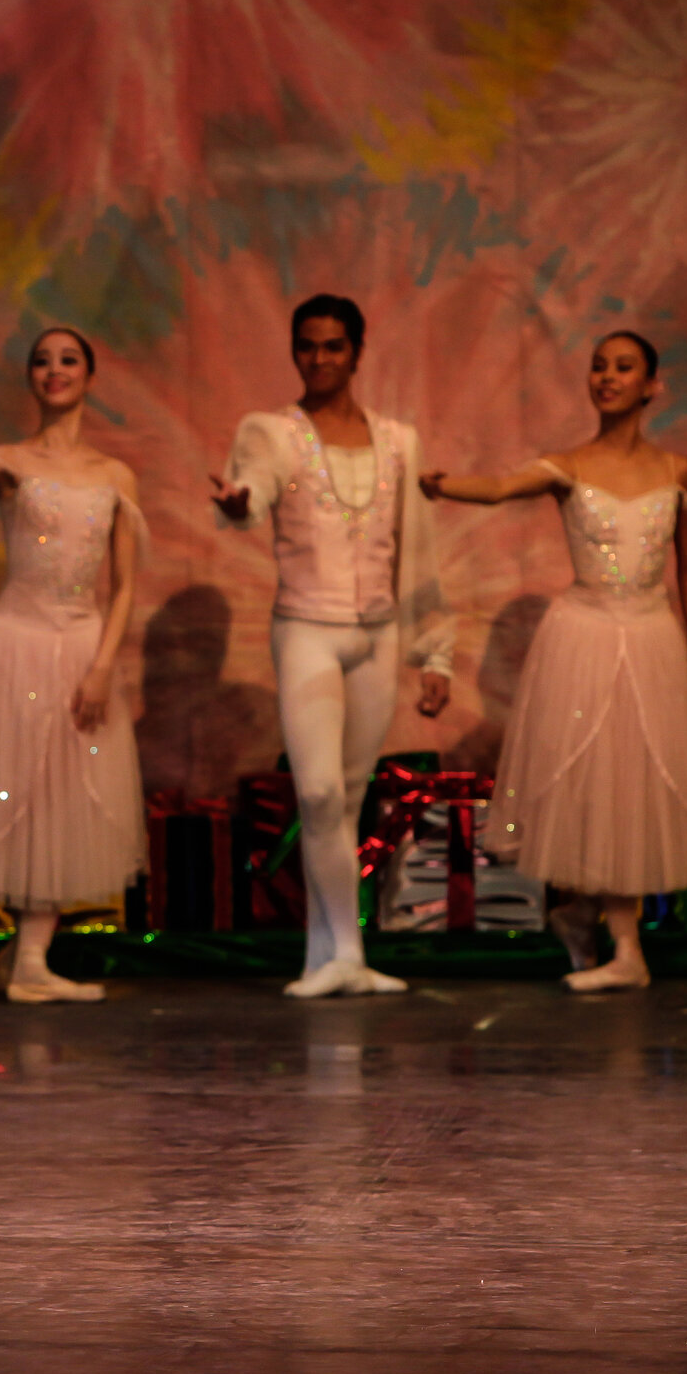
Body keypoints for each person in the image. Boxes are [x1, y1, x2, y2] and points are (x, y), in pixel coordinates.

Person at [419, 331, 687, 991]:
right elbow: (499, 488)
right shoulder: (569, 465)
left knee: (633, 784)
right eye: (599, 366)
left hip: (650, 636)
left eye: (623, 367)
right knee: (593, 780)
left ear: (651, 384)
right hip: (583, 633)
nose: (607, 377)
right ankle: (614, 939)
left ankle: (600, 927)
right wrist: (443, 486)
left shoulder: (677, 471)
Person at [210, 295, 451, 998]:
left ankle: (329, 955)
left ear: (356, 352)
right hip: (309, 629)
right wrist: (238, 504)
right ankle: (344, 950)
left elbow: (420, 548)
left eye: (333, 346)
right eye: (307, 346)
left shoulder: (399, 441)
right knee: (315, 792)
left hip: (377, 633)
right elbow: (250, 491)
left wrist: (434, 651)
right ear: (294, 351)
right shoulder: (274, 431)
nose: (319, 359)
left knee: (347, 797)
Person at [0, 327, 146, 1002]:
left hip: (81, 642)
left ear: (88, 374)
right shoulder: (10, 460)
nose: (55, 369)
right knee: (24, 792)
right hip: (16, 641)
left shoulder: (114, 475)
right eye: (43, 360)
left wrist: (104, 665)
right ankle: (28, 961)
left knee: (66, 793)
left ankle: (28, 956)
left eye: (69, 359)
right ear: (32, 378)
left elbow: (126, 582)